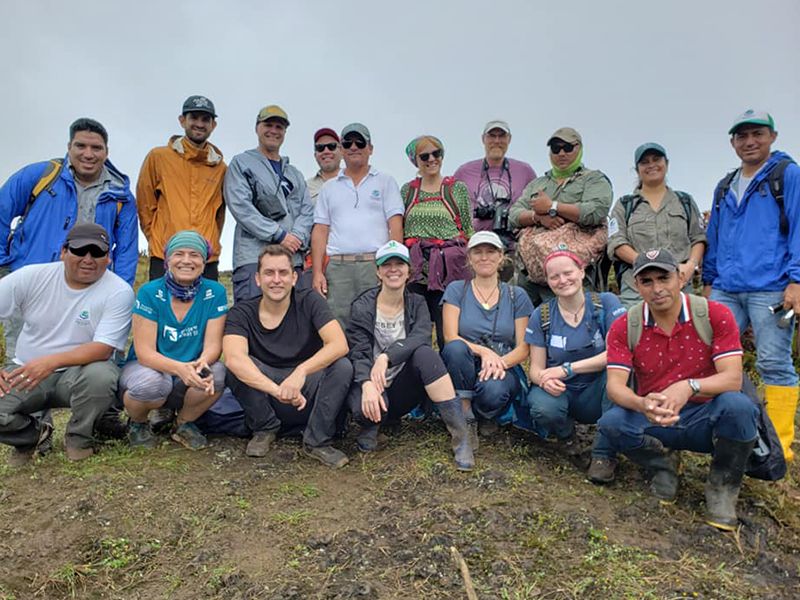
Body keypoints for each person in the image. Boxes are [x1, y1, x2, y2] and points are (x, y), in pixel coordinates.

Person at [598, 248, 758, 531]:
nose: (657, 288)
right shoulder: (626, 325)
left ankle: (722, 487)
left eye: (664, 278)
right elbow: (614, 387)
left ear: (681, 278)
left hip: (706, 416)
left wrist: (689, 387)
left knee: (739, 407)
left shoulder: (714, 314)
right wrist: (642, 404)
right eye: (647, 281)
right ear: (637, 286)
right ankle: (663, 464)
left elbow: (732, 379)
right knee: (611, 423)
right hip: (655, 416)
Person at [703, 109, 800, 463]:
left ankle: (778, 446)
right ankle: (728, 429)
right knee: (712, 356)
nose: (749, 142)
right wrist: (710, 281)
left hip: (771, 288)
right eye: (742, 136)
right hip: (727, 288)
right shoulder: (726, 184)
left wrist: (797, 280)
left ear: (772, 136)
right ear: (732, 142)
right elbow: (715, 235)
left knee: (775, 362)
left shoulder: (787, 175)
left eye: (757, 134)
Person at [0, 224, 133, 464]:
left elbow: (103, 348)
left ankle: (80, 438)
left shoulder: (119, 291)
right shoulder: (30, 276)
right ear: (63, 252)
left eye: (97, 252)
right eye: (80, 251)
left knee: (102, 376)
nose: (88, 259)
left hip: (78, 372)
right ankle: (32, 436)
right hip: (25, 370)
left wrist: (50, 363)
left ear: (108, 258)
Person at [346, 241, 474, 470]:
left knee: (425, 354)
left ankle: (460, 434)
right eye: (387, 265)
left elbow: (421, 337)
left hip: (403, 385)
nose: (393, 269)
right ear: (378, 271)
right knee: (361, 410)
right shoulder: (363, 305)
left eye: (399, 264)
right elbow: (358, 350)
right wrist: (366, 383)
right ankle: (372, 425)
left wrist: (386, 357)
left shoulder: (417, 303)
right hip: (373, 385)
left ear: (409, 271)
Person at [223, 244, 352, 468]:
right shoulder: (241, 312)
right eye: (269, 273)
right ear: (257, 279)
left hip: (307, 391)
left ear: (294, 278)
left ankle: (317, 440)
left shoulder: (310, 301)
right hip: (267, 394)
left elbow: (339, 344)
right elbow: (234, 357)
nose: (276, 280)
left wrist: (300, 372)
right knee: (236, 368)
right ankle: (264, 428)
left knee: (342, 366)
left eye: (283, 273)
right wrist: (277, 390)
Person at [120, 231, 228, 450]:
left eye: (194, 255)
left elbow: (214, 345)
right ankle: (138, 423)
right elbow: (145, 352)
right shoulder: (150, 292)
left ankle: (183, 424)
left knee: (216, 374)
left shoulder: (214, 292)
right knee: (154, 383)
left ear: (204, 261)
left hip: (189, 368)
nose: (186, 260)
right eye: (179, 254)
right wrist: (180, 369)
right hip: (148, 368)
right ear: (168, 260)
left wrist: (202, 363)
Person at [525, 250, 626, 482]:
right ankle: (567, 438)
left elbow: (617, 354)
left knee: (621, 376)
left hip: (599, 389)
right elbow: (535, 368)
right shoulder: (541, 316)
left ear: (581, 272)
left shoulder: (606, 303)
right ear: (547, 281)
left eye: (568, 273)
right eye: (554, 277)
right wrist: (544, 379)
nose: (562, 281)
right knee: (541, 405)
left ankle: (604, 453)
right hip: (563, 392)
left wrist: (568, 369)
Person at [441, 231, 533, 443]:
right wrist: (484, 352)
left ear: (501, 256)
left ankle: (484, 414)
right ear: (469, 258)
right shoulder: (456, 290)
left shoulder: (516, 295)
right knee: (455, 348)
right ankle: (464, 416)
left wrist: (497, 362)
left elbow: (523, 348)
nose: (484, 257)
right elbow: (449, 335)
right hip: (463, 362)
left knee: (494, 390)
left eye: (491, 251)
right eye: (478, 252)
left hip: (501, 364)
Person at [311, 123, 404, 327]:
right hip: (338, 266)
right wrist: (318, 272)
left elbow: (395, 226)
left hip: (375, 263)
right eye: (348, 143)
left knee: (377, 319)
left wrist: (392, 265)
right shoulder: (328, 188)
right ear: (342, 149)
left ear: (370, 148)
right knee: (338, 322)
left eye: (360, 142)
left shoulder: (386, 181)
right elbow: (320, 230)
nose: (354, 147)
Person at [509, 127, 613, 305]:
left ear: (579, 148)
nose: (561, 153)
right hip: (531, 273)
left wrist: (553, 206)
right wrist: (538, 217)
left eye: (567, 147)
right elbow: (514, 214)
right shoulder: (537, 184)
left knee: (575, 319)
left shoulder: (594, 179)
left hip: (573, 273)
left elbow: (596, 211)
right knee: (523, 321)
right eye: (556, 149)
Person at [225, 105, 313, 302]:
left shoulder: (294, 173)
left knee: (295, 323)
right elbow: (241, 207)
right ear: (257, 127)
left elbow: (307, 211)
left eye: (279, 127)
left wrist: (296, 238)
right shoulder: (241, 164)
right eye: (268, 125)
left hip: (291, 260)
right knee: (251, 320)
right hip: (252, 260)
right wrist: (279, 234)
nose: (273, 131)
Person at [137, 95, 226, 281]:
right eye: (194, 118)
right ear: (182, 120)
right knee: (163, 309)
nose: (199, 124)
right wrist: (156, 239)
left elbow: (219, 213)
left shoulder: (221, 168)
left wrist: (211, 242)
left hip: (206, 258)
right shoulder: (158, 157)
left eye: (205, 119)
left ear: (213, 125)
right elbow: (145, 204)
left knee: (205, 311)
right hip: (165, 255)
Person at [607, 143, 706, 307]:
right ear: (637, 169)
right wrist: (645, 264)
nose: (651, 165)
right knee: (635, 331)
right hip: (636, 290)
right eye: (645, 162)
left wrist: (690, 265)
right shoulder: (624, 205)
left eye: (656, 159)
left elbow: (698, 238)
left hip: (680, 286)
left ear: (666, 163)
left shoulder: (685, 201)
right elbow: (616, 242)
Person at [401, 135, 474, 348]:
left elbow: (468, 229)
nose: (432, 159)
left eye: (437, 153)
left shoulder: (456, 189)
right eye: (425, 155)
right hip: (417, 269)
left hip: (448, 270)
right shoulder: (408, 191)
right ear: (415, 160)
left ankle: (451, 377)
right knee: (416, 330)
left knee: (447, 332)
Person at [453, 120, 536, 242]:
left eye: (502, 136)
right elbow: (451, 208)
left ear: (509, 139)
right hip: (474, 240)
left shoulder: (525, 171)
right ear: (483, 139)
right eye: (491, 136)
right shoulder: (464, 172)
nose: (497, 141)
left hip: (512, 239)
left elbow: (536, 205)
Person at [306, 128, 342, 203]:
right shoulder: (305, 187)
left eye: (332, 146)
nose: (326, 151)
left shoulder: (354, 182)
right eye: (320, 148)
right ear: (315, 155)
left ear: (342, 152)